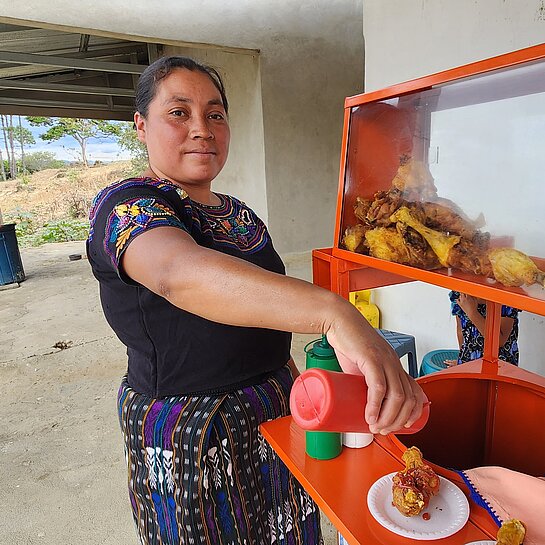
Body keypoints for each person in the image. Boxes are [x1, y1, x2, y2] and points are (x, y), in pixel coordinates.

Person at [86, 56, 425, 545]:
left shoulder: (239, 216)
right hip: (193, 429)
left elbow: (262, 309)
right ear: (141, 126)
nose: (201, 129)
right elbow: (175, 273)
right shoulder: (125, 204)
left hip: (276, 410)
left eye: (215, 114)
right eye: (179, 113)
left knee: (286, 529)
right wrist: (334, 312)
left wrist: (309, 388)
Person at [448, 290, 520, 365]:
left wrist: (472, 313)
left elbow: (499, 341)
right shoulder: (461, 295)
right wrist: (461, 359)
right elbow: (460, 330)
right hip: (469, 363)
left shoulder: (504, 297)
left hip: (499, 365)